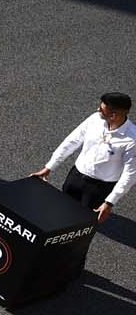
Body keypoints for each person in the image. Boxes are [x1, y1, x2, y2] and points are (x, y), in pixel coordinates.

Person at [33, 91, 133, 224]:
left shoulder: (132, 140)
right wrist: (49, 167)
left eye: (102, 109)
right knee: (62, 209)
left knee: (82, 222)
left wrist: (109, 202)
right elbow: (72, 141)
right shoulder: (94, 119)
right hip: (76, 176)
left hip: (99, 189)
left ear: (113, 115)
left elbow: (130, 174)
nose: (98, 110)